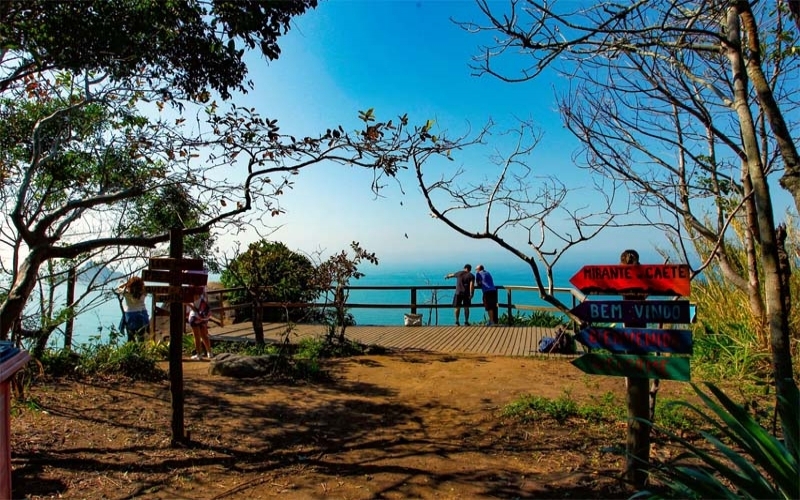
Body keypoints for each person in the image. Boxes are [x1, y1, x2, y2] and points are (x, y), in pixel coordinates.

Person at [114, 276, 150, 342]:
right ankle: (141, 351)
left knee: (131, 337)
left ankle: (132, 351)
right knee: (141, 337)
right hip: (142, 315)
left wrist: (126, 284)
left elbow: (116, 289)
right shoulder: (144, 293)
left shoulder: (126, 293)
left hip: (130, 315)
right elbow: (145, 288)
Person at [187, 288, 213, 360]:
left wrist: (191, 306)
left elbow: (192, 305)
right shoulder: (203, 289)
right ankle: (209, 353)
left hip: (195, 316)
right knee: (204, 335)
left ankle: (199, 354)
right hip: (203, 316)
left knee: (197, 336)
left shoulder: (194, 291)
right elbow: (206, 301)